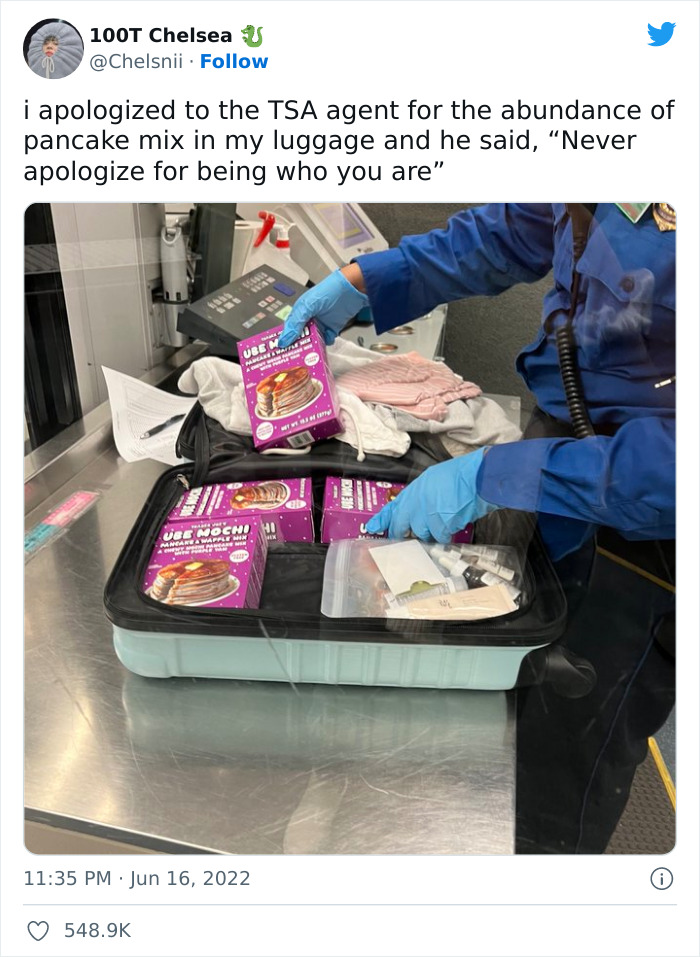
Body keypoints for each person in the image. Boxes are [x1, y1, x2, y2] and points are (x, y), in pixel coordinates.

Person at [279, 203, 676, 853]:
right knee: (508, 699)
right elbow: (518, 226)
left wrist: (498, 475)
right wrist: (371, 279)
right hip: (562, 457)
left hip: (649, 530)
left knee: (566, 751)